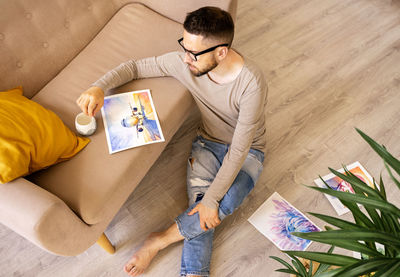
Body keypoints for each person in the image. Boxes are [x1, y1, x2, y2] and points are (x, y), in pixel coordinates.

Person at [76, 6, 267, 277]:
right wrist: (98, 86)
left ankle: (159, 240)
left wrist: (212, 199)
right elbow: (134, 66)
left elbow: (239, 149)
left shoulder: (251, 85)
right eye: (184, 47)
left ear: (221, 52)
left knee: (222, 201)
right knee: (203, 207)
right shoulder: (185, 62)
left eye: (194, 53)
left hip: (248, 151)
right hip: (207, 143)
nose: (186, 58)